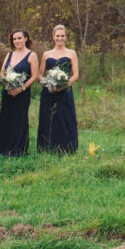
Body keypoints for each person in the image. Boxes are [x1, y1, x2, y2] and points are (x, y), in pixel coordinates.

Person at [0, 28, 39, 156]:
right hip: (7, 92)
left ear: (26, 39)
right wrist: (5, 83)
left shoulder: (32, 55)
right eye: (14, 39)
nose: (17, 41)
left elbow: (34, 76)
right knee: (5, 118)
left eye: (19, 38)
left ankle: (17, 148)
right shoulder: (9, 54)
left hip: (22, 94)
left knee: (19, 119)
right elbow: (2, 72)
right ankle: (2, 147)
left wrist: (21, 88)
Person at [37, 24, 79, 154]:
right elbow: (39, 74)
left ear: (66, 37)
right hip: (49, 92)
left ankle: (67, 147)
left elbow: (76, 74)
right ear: (53, 37)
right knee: (49, 117)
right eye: (57, 36)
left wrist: (64, 85)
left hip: (65, 92)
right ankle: (47, 146)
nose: (60, 38)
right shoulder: (46, 54)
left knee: (66, 117)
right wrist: (48, 84)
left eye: (62, 36)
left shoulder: (71, 53)